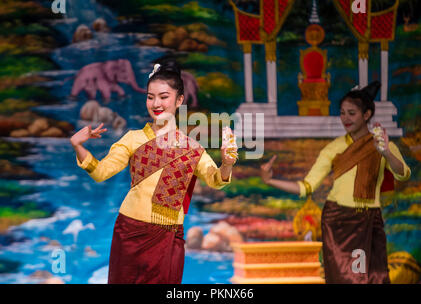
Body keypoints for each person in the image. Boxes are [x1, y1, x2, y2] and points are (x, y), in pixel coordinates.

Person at [70, 61, 237, 284]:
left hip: (168, 236)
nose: (156, 103)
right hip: (129, 233)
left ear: (179, 100)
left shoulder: (192, 148)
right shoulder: (133, 139)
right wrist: (79, 146)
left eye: (163, 96)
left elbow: (216, 180)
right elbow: (100, 172)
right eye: (150, 97)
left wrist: (226, 163)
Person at [260, 81, 411, 284]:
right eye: (342, 113)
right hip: (339, 222)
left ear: (366, 115)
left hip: (369, 220)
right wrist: (270, 181)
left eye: (351, 113)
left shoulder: (383, 144)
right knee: (348, 279)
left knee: (376, 278)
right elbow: (306, 187)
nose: (345, 119)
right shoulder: (334, 148)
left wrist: (385, 153)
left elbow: (403, 174)